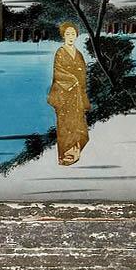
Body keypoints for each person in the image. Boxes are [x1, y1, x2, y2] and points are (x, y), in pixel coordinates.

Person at [47, 22, 90, 165]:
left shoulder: (79, 54)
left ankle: (75, 151)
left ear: (77, 35)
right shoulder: (60, 52)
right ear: (63, 36)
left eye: (73, 34)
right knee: (65, 124)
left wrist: (80, 88)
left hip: (77, 95)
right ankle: (65, 154)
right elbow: (58, 72)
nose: (70, 37)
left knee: (77, 122)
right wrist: (73, 80)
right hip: (64, 95)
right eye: (68, 34)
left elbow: (83, 75)